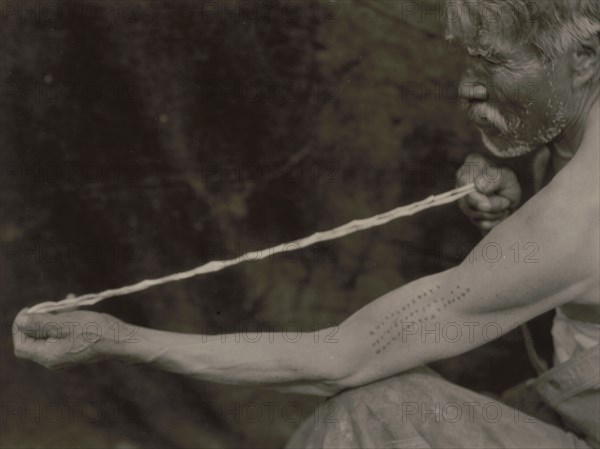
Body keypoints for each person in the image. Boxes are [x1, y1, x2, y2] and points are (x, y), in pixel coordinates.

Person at [13, 1, 599, 447]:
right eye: (471, 58)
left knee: (375, 407)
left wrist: (126, 340)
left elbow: (340, 360)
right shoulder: (575, 142)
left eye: (495, 62)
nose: (468, 87)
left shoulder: (578, 215)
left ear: (586, 58)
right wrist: (520, 214)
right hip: (565, 407)